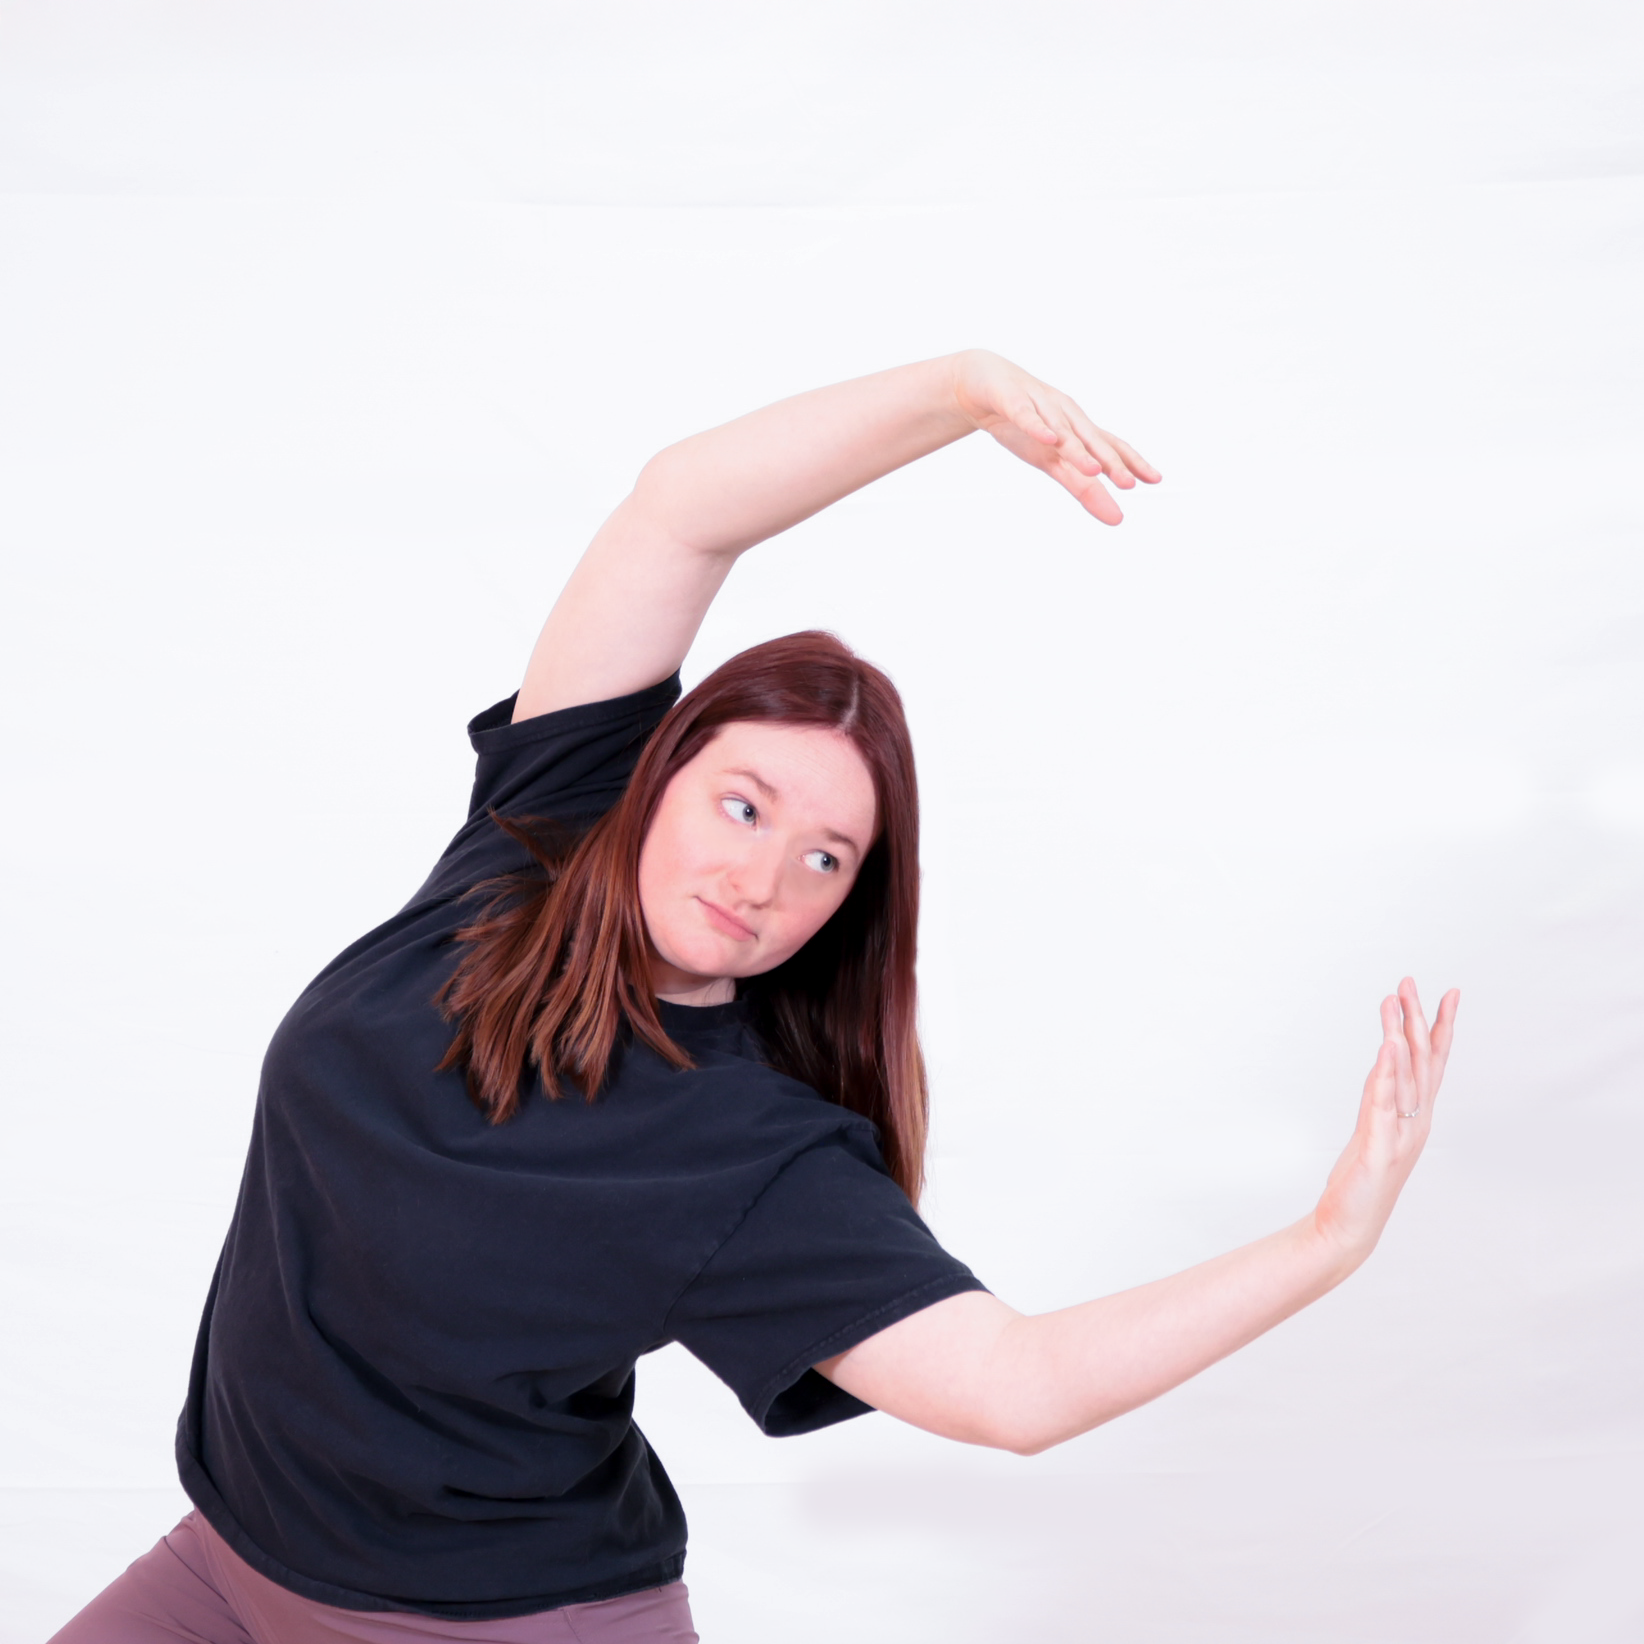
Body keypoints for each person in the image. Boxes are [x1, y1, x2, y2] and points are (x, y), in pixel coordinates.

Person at [52, 349, 1459, 1643]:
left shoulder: (751, 1156)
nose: (762, 873)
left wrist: (1326, 1241)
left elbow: (1014, 1387)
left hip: (495, 1623)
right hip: (227, 1563)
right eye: (742, 803)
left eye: (824, 856)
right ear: (657, 777)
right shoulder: (538, 832)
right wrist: (958, 391)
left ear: (846, 906)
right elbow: (680, 512)